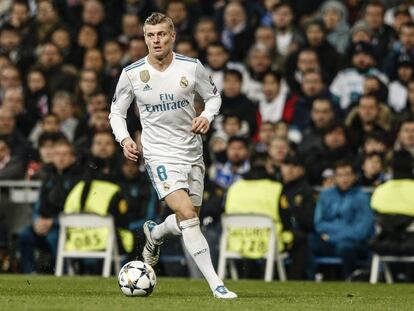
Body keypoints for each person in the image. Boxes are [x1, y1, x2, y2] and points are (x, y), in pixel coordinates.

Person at [109, 13, 236, 298]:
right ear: (145, 38)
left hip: (192, 151)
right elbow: (116, 112)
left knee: (186, 221)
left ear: (172, 36)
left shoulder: (191, 68)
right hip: (158, 154)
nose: (156, 40)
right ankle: (217, 284)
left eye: (162, 34)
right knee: (189, 215)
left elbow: (214, 96)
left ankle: (154, 235)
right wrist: (125, 138)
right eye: (151, 35)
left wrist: (206, 115)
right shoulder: (132, 73)